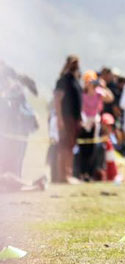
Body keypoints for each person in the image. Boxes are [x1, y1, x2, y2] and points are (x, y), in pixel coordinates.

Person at [78, 70, 113, 181]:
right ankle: (82, 173)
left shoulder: (99, 92)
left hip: (95, 122)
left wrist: (104, 86)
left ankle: (89, 173)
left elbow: (110, 98)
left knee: (93, 149)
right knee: (83, 149)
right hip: (84, 122)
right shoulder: (82, 94)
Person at [53, 55, 82, 183]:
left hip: (74, 119)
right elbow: (57, 100)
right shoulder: (63, 80)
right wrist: (60, 119)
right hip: (66, 117)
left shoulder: (75, 80)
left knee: (70, 146)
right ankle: (62, 175)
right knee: (64, 146)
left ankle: (68, 173)